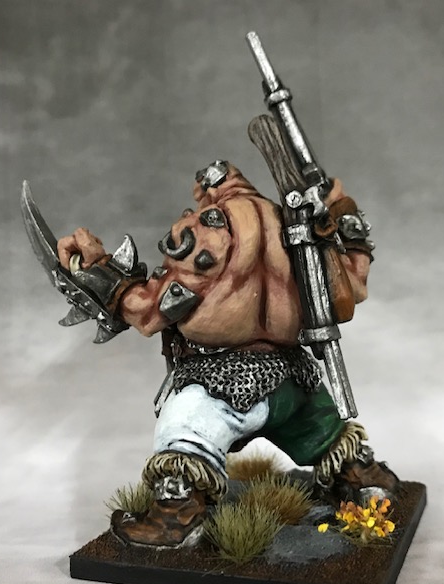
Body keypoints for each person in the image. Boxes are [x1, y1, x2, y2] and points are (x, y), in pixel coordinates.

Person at [58, 161, 398, 547]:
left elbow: (149, 311)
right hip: (294, 377)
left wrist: (96, 268)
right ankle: (362, 476)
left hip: (223, 382)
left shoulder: (212, 229)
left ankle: (176, 517)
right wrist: (343, 213)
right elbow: (353, 284)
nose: (193, 203)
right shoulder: (290, 222)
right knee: (327, 435)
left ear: (208, 189)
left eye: (198, 193)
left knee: (184, 433)